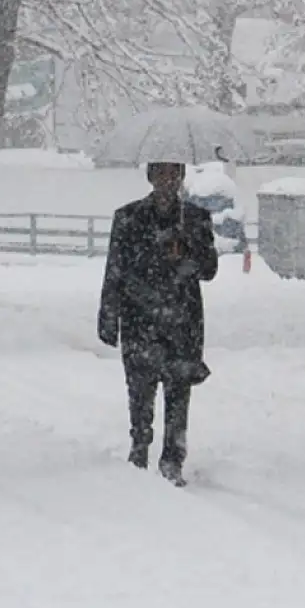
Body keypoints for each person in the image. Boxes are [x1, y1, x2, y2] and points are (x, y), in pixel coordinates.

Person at [97, 162, 219, 486]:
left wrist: (186, 251)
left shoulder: (195, 219)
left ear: (181, 177)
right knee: (140, 390)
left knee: (178, 393)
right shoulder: (128, 218)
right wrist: (109, 317)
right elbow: (115, 270)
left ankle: (173, 458)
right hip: (139, 317)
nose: (167, 181)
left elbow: (209, 269)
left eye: (173, 174)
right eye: (161, 173)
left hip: (182, 321)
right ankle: (139, 447)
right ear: (150, 177)